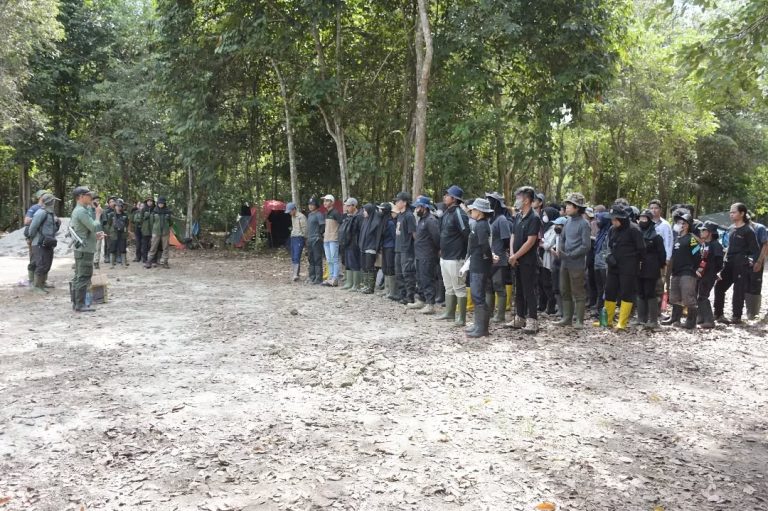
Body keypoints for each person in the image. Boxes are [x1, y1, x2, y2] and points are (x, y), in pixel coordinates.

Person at [713, 203, 760, 324]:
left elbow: (755, 250)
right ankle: (718, 313)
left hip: (741, 264)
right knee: (719, 286)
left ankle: (736, 316)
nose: (731, 214)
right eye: (730, 212)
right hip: (728, 263)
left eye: (733, 212)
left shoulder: (748, 230)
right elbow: (727, 247)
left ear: (742, 213)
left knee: (738, 290)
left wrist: (753, 262)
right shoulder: (731, 229)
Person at [507, 186, 542, 334]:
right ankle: (519, 317)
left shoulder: (534, 218)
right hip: (517, 259)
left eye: (519, 197)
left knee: (529, 290)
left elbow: (531, 241)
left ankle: (533, 320)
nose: (517, 200)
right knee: (519, 289)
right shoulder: (518, 216)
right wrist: (512, 254)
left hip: (528, 260)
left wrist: (516, 255)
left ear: (527, 200)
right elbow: (513, 236)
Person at [603, 204, 644, 330]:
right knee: (609, 291)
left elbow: (641, 250)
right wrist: (608, 256)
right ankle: (606, 320)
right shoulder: (612, 229)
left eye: (615, 219)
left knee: (626, 293)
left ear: (622, 218)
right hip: (613, 266)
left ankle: (622, 322)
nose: (613, 222)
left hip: (628, 267)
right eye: (612, 219)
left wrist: (632, 261)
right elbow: (607, 246)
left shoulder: (634, 230)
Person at [554, 192, 591, 329]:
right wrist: (560, 250)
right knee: (564, 290)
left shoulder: (584, 224)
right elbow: (563, 238)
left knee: (578, 292)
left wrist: (571, 254)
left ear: (577, 208)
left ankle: (579, 320)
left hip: (577, 263)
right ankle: (567, 318)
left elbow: (586, 245)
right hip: (565, 262)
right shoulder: (567, 221)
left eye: (570, 205)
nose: (567, 207)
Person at [70, 186, 107, 312]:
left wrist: (95, 236)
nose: (91, 197)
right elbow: (94, 226)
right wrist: (97, 215)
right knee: (84, 276)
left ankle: (76, 303)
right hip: (84, 250)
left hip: (82, 248)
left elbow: (86, 230)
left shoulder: (81, 210)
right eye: (88, 195)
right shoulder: (81, 211)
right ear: (80, 197)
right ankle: (79, 305)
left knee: (79, 276)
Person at [437, 185, 470, 325]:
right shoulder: (446, 213)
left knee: (459, 288)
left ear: (454, 199)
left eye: (448, 195)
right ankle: (449, 313)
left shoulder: (459, 214)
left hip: (456, 258)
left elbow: (467, 234)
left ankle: (461, 317)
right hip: (445, 257)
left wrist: (464, 255)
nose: (445, 197)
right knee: (448, 286)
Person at [662, 211, 701, 329]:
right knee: (675, 296)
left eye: (684, 223)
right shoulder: (677, 238)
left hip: (688, 272)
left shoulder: (691, 239)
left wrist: (694, 268)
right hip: (676, 272)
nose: (681, 225)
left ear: (688, 225)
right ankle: (675, 318)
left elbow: (697, 254)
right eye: (679, 222)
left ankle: (691, 321)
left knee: (688, 296)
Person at [463, 198, 495, 338]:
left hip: (480, 265)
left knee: (478, 295)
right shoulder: (480, 224)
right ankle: (478, 325)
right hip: (477, 263)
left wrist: (488, 257)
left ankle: (482, 328)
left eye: (474, 209)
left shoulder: (481, 226)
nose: (472, 211)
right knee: (477, 296)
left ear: (481, 212)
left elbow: (485, 246)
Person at [636, 209, 667, 330]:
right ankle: (641, 318)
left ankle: (653, 320)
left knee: (650, 292)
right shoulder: (636, 234)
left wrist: (659, 267)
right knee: (640, 292)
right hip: (638, 267)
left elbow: (662, 255)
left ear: (650, 221)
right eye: (641, 218)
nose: (643, 221)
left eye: (645, 219)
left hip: (651, 268)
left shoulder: (656, 237)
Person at [409, 196, 440, 313]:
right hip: (419, 254)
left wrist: (435, 250)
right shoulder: (422, 220)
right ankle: (421, 300)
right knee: (420, 278)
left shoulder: (431, 220)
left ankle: (430, 304)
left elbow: (437, 238)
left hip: (428, 255)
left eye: (418, 207)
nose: (416, 209)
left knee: (427, 279)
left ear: (425, 208)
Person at [27, 193, 61, 293]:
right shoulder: (41, 212)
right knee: (40, 264)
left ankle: (41, 284)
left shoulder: (50, 214)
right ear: (51, 202)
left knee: (47, 264)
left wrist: (57, 224)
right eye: (54, 201)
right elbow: (33, 227)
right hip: (39, 243)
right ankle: (36, 286)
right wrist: (31, 238)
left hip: (48, 243)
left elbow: (52, 229)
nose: (54, 203)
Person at [486, 192, 512, 323]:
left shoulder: (502, 219)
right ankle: (489, 312)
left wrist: (501, 252)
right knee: (489, 286)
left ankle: (500, 314)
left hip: (499, 258)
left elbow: (506, 239)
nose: (488, 202)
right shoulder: (490, 219)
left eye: (490, 200)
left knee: (498, 285)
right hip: (489, 258)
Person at [696, 221, 724, 329]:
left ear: (710, 232)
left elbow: (719, 262)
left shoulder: (716, 245)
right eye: (701, 230)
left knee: (703, 296)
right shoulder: (704, 244)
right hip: (702, 274)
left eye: (704, 230)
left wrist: (714, 273)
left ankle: (709, 321)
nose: (701, 232)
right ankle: (701, 318)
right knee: (699, 296)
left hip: (709, 275)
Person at [393, 192, 417, 305]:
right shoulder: (400, 215)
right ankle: (402, 295)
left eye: (398, 200)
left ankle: (410, 296)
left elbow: (414, 234)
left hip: (406, 249)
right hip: (398, 248)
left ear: (405, 202)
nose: (396, 202)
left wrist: (415, 248)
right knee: (398, 273)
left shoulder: (409, 215)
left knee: (407, 273)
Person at [24, 189, 49, 284]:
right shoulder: (34, 208)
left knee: (45, 260)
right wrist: (38, 218)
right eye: (45, 195)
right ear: (40, 197)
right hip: (34, 237)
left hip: (45, 238)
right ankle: (32, 280)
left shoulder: (48, 208)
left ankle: (42, 281)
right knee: (34, 259)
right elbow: (26, 221)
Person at [358, 202, 383, 294]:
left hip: (371, 247)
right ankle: (365, 285)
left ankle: (370, 287)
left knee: (370, 267)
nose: (363, 212)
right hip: (364, 247)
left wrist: (375, 247)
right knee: (364, 266)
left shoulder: (376, 222)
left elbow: (377, 236)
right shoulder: (365, 221)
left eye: (365, 211)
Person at [339, 198, 363, 291]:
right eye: (345, 205)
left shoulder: (359, 216)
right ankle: (349, 282)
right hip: (347, 242)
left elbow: (360, 231)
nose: (346, 207)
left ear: (354, 206)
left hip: (355, 243)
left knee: (354, 263)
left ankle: (356, 284)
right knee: (348, 262)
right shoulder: (347, 216)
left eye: (348, 206)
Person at [746, 219, 767, 320]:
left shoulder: (760, 228)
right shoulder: (741, 228)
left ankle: (753, 313)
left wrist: (759, 261)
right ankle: (748, 311)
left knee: (755, 285)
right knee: (745, 285)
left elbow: (765, 245)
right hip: (745, 261)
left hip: (757, 260)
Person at [592, 212, 611, 320]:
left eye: (599, 220)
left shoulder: (609, 233)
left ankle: (605, 311)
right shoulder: (600, 233)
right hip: (597, 264)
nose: (598, 222)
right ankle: (599, 309)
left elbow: (608, 249)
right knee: (599, 288)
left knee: (605, 288)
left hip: (604, 265)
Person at [321, 195, 343, 286]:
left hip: (334, 239)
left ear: (332, 202)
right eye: (324, 201)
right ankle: (330, 277)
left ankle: (335, 279)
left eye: (327, 201)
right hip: (326, 239)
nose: (324, 203)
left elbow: (341, 224)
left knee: (334, 259)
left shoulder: (336, 213)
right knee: (329, 259)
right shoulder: (326, 213)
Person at [145, 196, 173, 269]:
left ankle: (165, 262)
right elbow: (151, 223)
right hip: (156, 232)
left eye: (162, 203)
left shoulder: (168, 212)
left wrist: (167, 228)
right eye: (159, 203)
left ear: (164, 204)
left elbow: (170, 222)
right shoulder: (154, 212)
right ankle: (149, 262)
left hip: (165, 233)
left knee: (165, 248)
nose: (161, 204)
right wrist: (153, 231)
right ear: (157, 203)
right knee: (153, 247)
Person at [379, 202, 397, 297]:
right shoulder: (383, 221)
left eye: (382, 210)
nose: (380, 211)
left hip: (390, 247)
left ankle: (392, 292)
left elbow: (394, 236)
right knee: (385, 268)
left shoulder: (390, 223)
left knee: (390, 268)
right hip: (385, 247)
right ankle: (386, 290)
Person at [306, 197, 325, 285]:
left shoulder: (319, 214)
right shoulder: (309, 215)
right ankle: (312, 277)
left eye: (312, 204)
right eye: (309, 204)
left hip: (316, 240)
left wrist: (319, 235)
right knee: (310, 259)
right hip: (309, 239)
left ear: (316, 205)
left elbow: (322, 226)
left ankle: (318, 278)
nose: (310, 206)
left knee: (317, 258)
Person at [286, 202, 307, 282]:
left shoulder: (301, 217)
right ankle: (295, 273)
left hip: (299, 237)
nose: (289, 213)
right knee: (293, 255)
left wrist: (304, 239)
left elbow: (304, 229)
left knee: (297, 255)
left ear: (294, 209)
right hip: (293, 237)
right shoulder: (292, 217)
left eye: (290, 211)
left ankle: (296, 274)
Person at [106, 200, 130, 267]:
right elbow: (109, 223)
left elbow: (127, 223)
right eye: (117, 206)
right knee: (113, 248)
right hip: (114, 233)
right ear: (115, 207)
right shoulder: (111, 215)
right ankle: (112, 264)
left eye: (120, 206)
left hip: (122, 234)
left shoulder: (125, 214)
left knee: (123, 248)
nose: (118, 207)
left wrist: (126, 231)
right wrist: (109, 232)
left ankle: (124, 263)